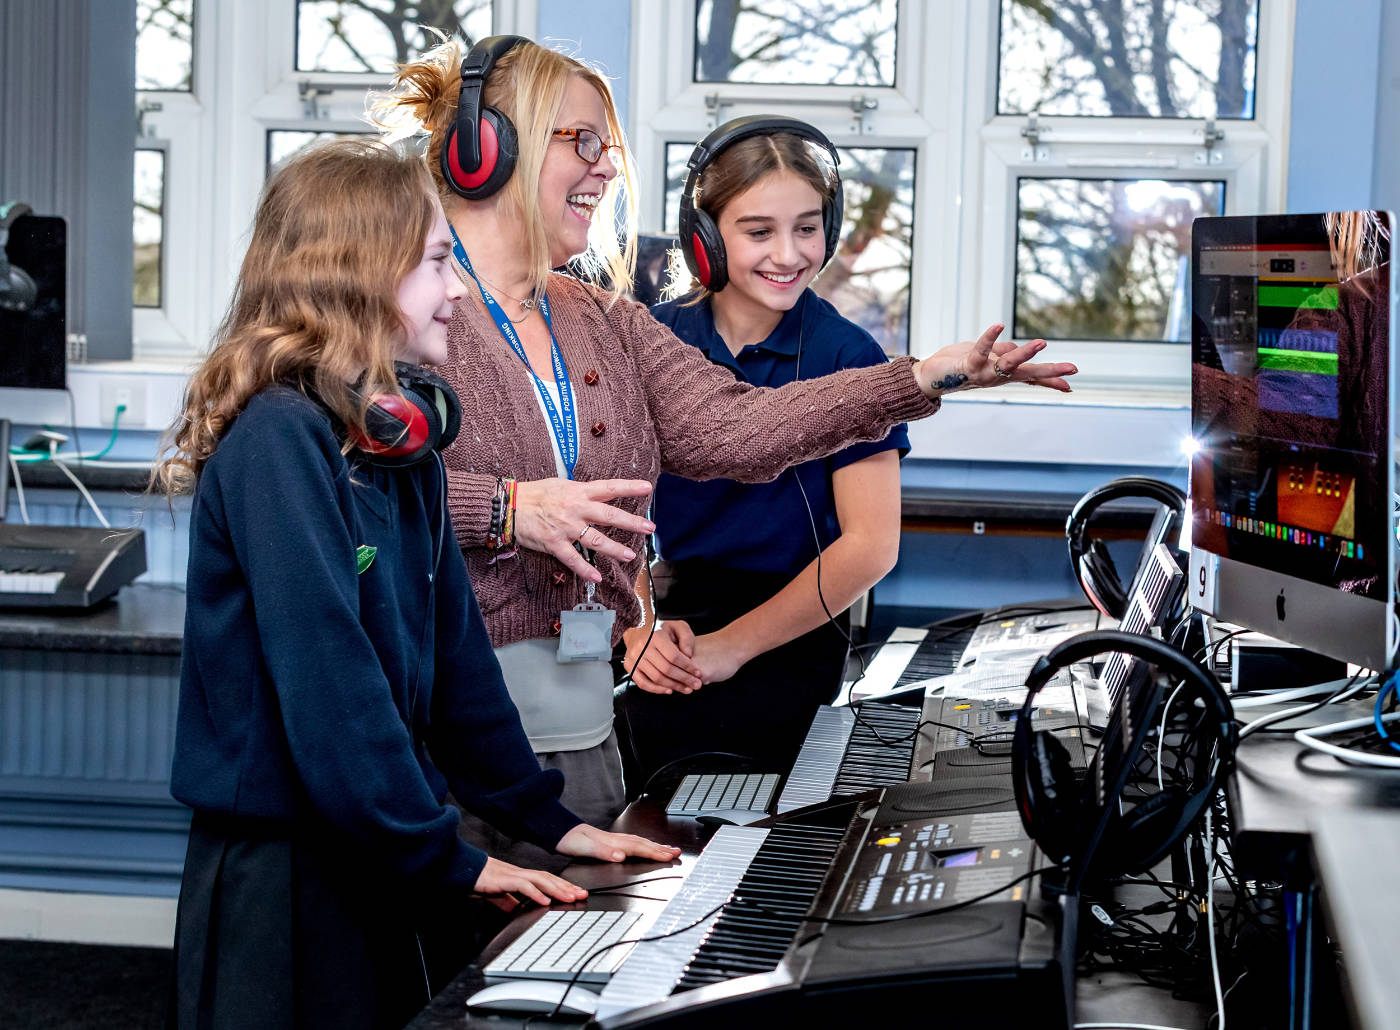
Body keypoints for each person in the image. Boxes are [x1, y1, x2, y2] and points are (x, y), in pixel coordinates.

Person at [371, 35, 1075, 866]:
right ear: (492, 148)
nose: (604, 170)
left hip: (583, 731)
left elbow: (741, 430)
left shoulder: (605, 319)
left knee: (566, 973)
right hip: (437, 741)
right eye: (583, 142)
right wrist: (506, 509)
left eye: (610, 148)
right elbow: (344, 490)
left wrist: (923, 377)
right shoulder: (399, 303)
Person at [154, 139, 678, 1030]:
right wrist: (447, 852)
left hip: (374, 851)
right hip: (285, 875)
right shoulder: (282, 442)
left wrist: (545, 820)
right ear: (362, 274)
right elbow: (331, 683)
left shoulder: (402, 454)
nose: (460, 289)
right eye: (439, 262)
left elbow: (458, 668)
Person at [617, 117, 906, 781]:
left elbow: (871, 546)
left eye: (807, 228)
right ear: (706, 238)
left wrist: (729, 650)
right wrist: (638, 630)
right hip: (668, 608)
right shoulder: (649, 339)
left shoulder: (849, 356)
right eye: (758, 232)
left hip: (792, 625)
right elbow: (614, 505)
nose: (789, 253)